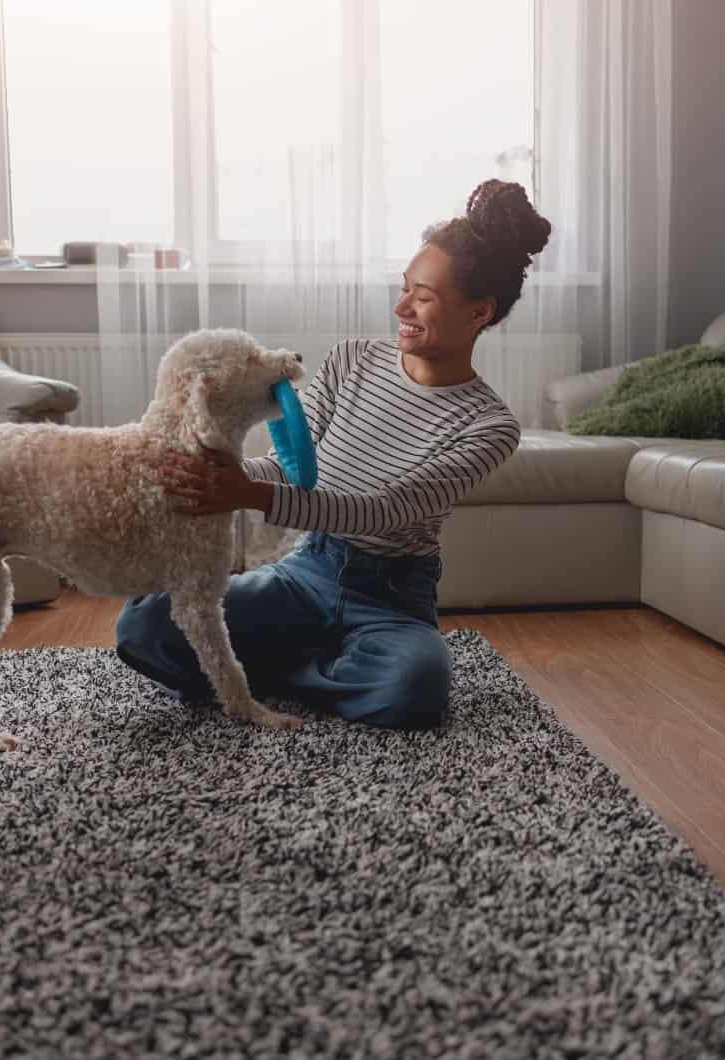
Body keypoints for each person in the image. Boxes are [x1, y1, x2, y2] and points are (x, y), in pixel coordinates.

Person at [114, 179, 552, 729]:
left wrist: (248, 493)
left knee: (415, 686)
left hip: (391, 600)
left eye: (423, 296)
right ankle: (312, 668)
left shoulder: (489, 426)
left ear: (478, 312)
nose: (401, 307)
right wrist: (224, 478)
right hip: (306, 572)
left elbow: (386, 509)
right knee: (143, 623)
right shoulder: (352, 361)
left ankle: (276, 669)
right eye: (403, 288)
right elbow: (291, 471)